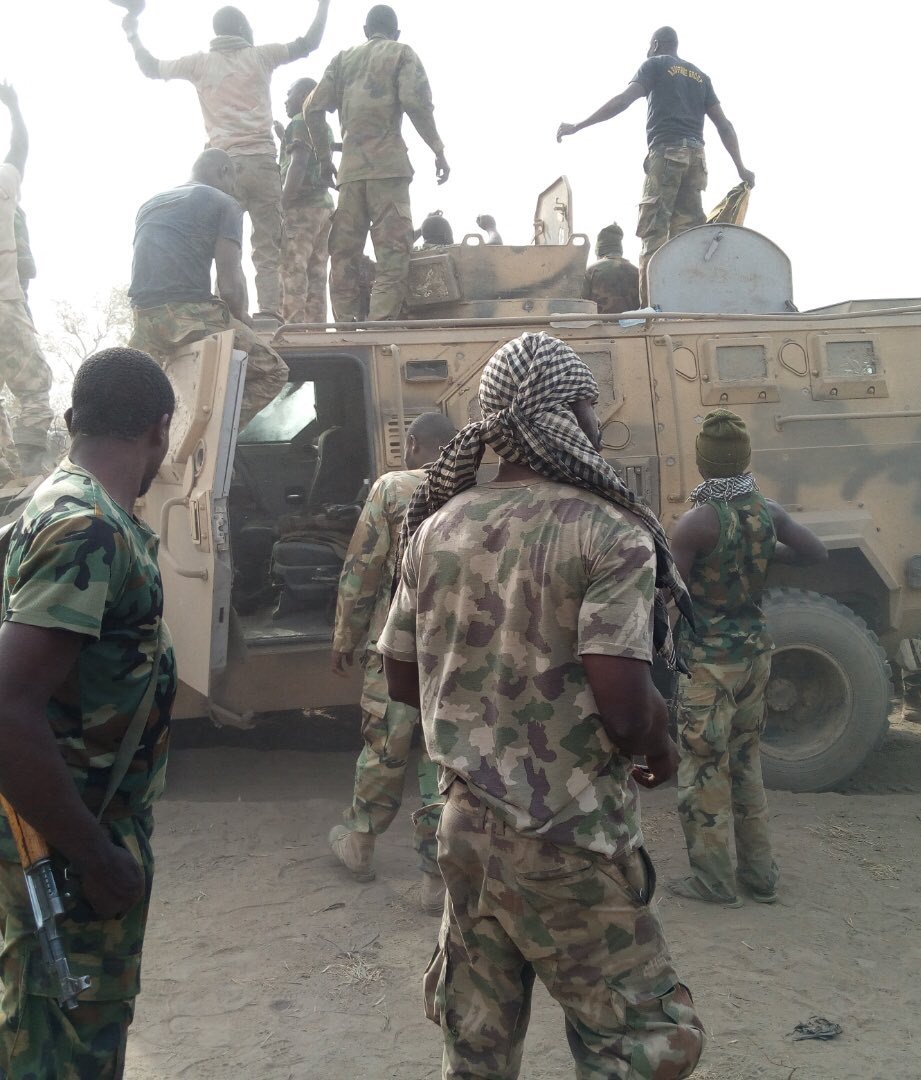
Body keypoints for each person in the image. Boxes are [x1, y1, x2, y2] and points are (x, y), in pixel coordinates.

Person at [378, 332, 704, 1078]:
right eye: (591, 405)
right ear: (569, 412)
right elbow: (624, 704)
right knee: (639, 1043)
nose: (598, 422)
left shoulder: (436, 528)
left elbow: (402, 680)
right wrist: (658, 742)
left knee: (477, 1047)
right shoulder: (608, 531)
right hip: (567, 836)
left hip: (465, 832)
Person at [0, 347, 177, 1078]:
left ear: (73, 420)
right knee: (66, 1047)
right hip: (69, 847)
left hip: (56, 831)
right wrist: (94, 855)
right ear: (161, 432)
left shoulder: (52, 505)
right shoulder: (89, 529)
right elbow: (6, 706)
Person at [669, 409, 826, 906]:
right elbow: (815, 553)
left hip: (709, 664)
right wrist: (765, 557)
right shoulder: (768, 513)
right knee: (746, 762)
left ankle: (713, 881)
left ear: (703, 463)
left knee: (703, 768)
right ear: (743, 460)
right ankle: (760, 876)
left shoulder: (695, 523)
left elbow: (670, 590)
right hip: (755, 654)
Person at [121, 2, 331, 319]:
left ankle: (224, 313)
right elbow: (309, 43)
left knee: (223, 245)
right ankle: (270, 313)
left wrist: (133, 30)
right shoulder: (261, 56)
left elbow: (150, 67)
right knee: (267, 246)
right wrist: (323, 4)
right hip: (261, 162)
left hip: (220, 169)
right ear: (245, 30)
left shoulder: (200, 64)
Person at [329, 412, 457, 914]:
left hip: (396, 646)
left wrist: (345, 634)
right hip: (455, 654)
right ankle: (437, 878)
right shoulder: (473, 488)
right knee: (441, 760)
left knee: (384, 747)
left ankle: (360, 844)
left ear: (416, 443)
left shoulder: (392, 488)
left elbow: (361, 569)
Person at [557, 26, 755, 303]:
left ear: (656, 44)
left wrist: (579, 125)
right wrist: (741, 168)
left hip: (667, 153)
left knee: (653, 232)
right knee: (687, 237)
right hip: (697, 158)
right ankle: (689, 303)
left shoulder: (654, 64)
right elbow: (724, 125)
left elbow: (623, 100)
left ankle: (652, 309)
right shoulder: (700, 76)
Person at [305, 4, 450, 322]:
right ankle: (379, 329)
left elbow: (311, 108)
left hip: (351, 176)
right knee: (392, 259)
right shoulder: (401, 53)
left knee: (343, 259)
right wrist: (437, 149)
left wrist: (323, 160)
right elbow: (417, 103)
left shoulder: (342, 59)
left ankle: (345, 328)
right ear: (396, 32)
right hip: (389, 172)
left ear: (365, 32)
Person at [128, 148, 289, 430]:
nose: (234, 191)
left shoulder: (151, 203)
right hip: (190, 314)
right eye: (233, 184)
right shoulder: (223, 202)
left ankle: (157, 442)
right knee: (273, 371)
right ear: (224, 172)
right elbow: (229, 280)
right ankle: (208, 438)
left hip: (144, 319)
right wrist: (242, 317)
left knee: (145, 396)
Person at [0, 83, 53, 483]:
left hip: (13, 298)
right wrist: (14, 107)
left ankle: (6, 473)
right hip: (5, 304)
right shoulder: (4, 183)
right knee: (34, 387)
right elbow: (20, 147)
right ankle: (32, 473)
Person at [278, 77, 334, 324]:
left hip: (300, 207)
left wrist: (282, 203)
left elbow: (298, 164)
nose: (285, 100)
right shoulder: (321, 124)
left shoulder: (299, 121)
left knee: (293, 268)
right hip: (323, 207)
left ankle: (292, 329)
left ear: (303, 96)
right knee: (317, 271)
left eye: (289, 93)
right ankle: (315, 329)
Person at [583, 222, 640, 314]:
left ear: (600, 250)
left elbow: (582, 304)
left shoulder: (591, 271)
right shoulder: (637, 271)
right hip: (633, 326)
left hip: (599, 327)